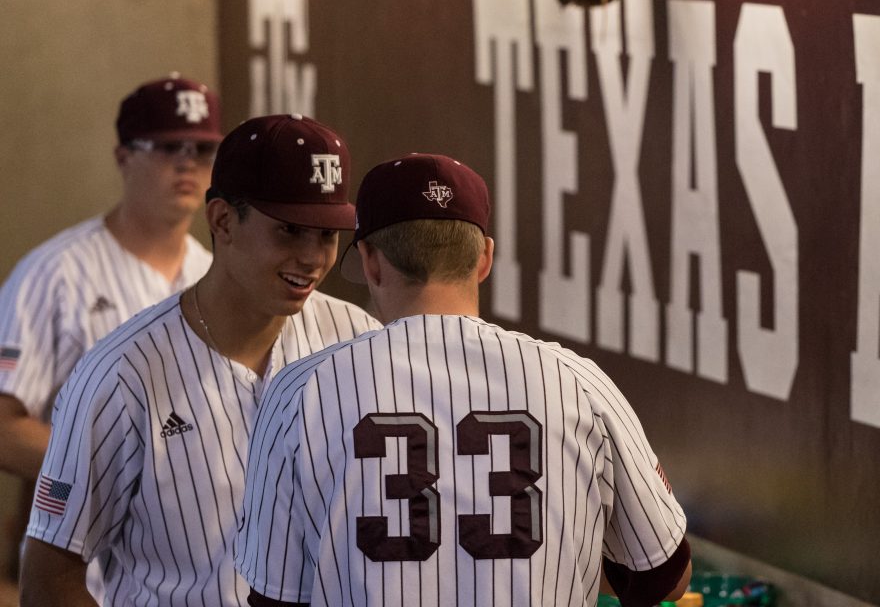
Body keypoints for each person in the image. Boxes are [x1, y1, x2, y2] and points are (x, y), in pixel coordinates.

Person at [235, 153, 691, 607]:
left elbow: (277, 598)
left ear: (371, 262)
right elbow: (665, 577)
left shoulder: (300, 392)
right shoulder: (578, 383)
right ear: (485, 258)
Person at [20, 114, 381, 607]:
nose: (313, 257)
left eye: (326, 234)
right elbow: (50, 576)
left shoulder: (359, 341)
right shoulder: (121, 374)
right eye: (290, 231)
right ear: (222, 221)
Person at [0, 74, 221, 484]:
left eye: (204, 149)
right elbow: (5, 429)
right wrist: (115, 473)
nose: (187, 162)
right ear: (123, 157)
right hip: (86, 539)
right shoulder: (55, 271)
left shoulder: (217, 274)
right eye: (168, 146)